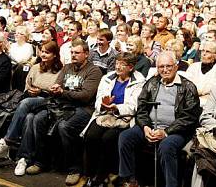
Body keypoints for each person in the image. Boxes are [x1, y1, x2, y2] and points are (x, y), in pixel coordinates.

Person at [21, 39, 102, 186]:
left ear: (86, 54)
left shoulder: (94, 71)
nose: (73, 55)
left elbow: (85, 96)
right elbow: (58, 84)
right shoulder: (67, 68)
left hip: (83, 109)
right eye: (71, 52)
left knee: (64, 126)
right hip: (62, 105)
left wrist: (62, 92)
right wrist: (56, 90)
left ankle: (74, 169)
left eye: (77, 53)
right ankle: (41, 161)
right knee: (39, 119)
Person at [118, 51, 201, 187]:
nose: (165, 70)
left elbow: (189, 117)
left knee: (166, 146)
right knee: (125, 137)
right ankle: (129, 180)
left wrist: (166, 132)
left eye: (168, 66)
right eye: (161, 67)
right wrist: (145, 127)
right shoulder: (152, 83)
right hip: (150, 127)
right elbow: (141, 109)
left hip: (177, 131)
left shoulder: (188, 87)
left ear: (176, 66)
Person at [0, 41, 63, 176]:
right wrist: (32, 91)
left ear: (55, 55)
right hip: (33, 102)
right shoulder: (35, 67)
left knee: (26, 103)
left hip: (49, 104)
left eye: (47, 52)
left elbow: (55, 92)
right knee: (29, 117)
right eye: (42, 51)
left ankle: (8, 139)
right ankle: (23, 159)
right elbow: (27, 87)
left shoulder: (61, 71)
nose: (43, 54)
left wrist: (40, 92)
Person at [81, 53, 145, 187]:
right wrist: (103, 105)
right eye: (117, 63)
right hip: (104, 115)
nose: (118, 66)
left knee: (108, 139)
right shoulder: (107, 78)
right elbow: (99, 99)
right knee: (91, 136)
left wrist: (116, 108)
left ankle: (102, 175)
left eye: (122, 64)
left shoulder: (139, 81)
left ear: (131, 67)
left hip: (124, 117)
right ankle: (90, 174)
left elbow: (134, 106)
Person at [183, 42, 216, 106]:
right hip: (191, 102)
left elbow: (215, 88)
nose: (204, 54)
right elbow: (187, 86)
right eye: (202, 51)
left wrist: (196, 91)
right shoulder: (193, 66)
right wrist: (202, 93)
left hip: (213, 103)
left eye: (208, 51)